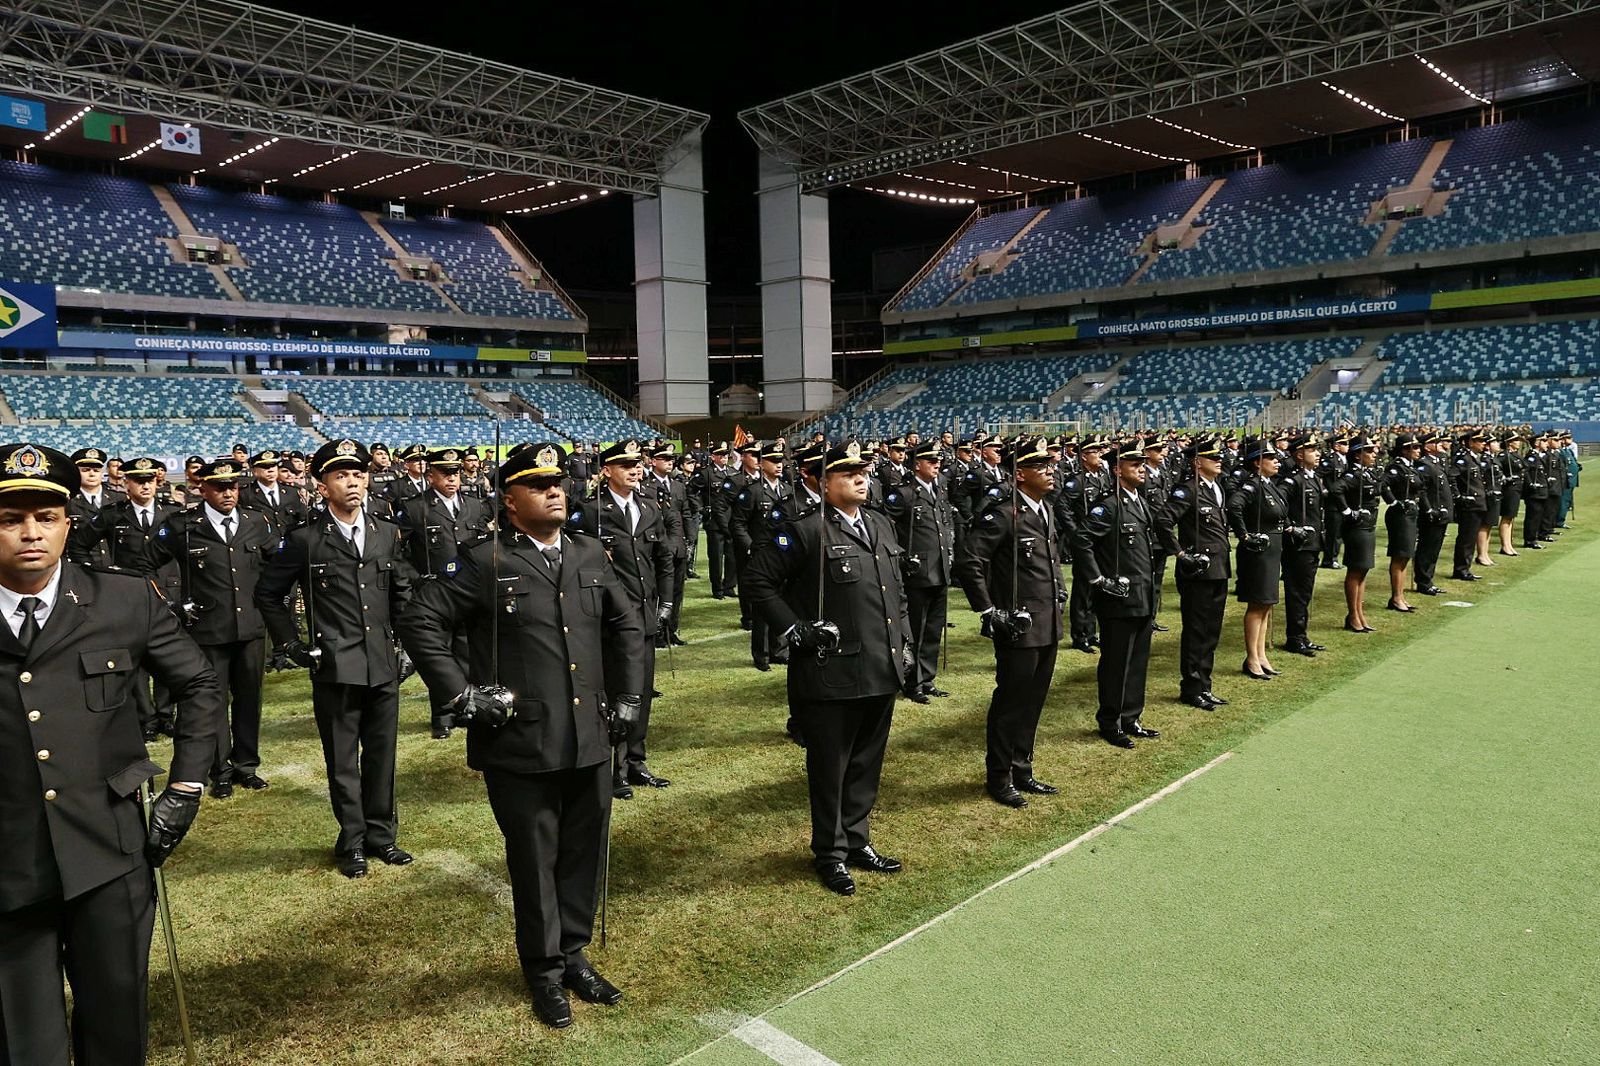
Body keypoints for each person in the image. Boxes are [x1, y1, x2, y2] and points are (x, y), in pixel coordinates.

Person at [399, 442, 645, 1029]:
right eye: (538, 485)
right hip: (521, 742)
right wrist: (461, 696)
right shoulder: (485, 561)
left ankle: (574, 954)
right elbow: (419, 618)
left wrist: (631, 697)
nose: (555, 490)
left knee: (584, 850)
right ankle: (542, 970)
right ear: (510, 502)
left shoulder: (588, 553)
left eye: (558, 482)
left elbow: (626, 624)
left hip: (588, 733)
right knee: (535, 860)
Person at [0, 441, 223, 1066]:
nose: (30, 534)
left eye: (46, 517)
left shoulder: (123, 600)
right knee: (26, 1043)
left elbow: (199, 684)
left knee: (116, 1025)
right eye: (10, 519)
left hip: (109, 852)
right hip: (9, 861)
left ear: (69, 522)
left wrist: (185, 787)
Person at [743, 442, 911, 896]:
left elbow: (895, 596)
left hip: (879, 664)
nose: (860, 477)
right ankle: (830, 853)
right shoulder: (804, 531)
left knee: (865, 764)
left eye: (863, 470)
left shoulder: (878, 522)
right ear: (822, 481)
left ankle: (857, 840)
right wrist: (794, 629)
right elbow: (758, 581)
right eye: (847, 472)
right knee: (830, 767)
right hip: (831, 669)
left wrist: (905, 646)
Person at [257, 439, 417, 878]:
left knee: (382, 755)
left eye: (359, 474)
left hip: (382, 663)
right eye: (341, 475)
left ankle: (382, 836)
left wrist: (407, 645)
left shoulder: (387, 532)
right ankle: (352, 843)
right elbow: (269, 595)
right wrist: (291, 643)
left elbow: (400, 592)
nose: (353, 482)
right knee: (343, 761)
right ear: (322, 484)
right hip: (336, 665)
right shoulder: (306, 540)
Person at [144, 456, 277, 798]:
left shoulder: (256, 522)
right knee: (212, 702)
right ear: (202, 487)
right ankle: (220, 770)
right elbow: (144, 564)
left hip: (250, 626)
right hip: (208, 629)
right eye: (219, 487)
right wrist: (169, 604)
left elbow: (276, 566)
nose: (227, 493)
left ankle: (246, 765)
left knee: (250, 700)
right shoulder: (183, 526)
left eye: (232, 486)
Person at [954, 437, 1065, 806]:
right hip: (1018, 623)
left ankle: (1023, 768)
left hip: (1047, 620)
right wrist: (988, 610)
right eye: (1041, 466)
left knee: (1033, 701)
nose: (1050, 471)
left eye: (1050, 464)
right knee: (1011, 702)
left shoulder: (1044, 508)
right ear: (1020, 474)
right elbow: (969, 560)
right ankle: (999, 776)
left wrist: (1060, 591)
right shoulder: (1003, 513)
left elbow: (1050, 562)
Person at [567, 440, 674, 798]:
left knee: (641, 690)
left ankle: (636, 760)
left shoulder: (649, 508)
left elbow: (663, 559)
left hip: (643, 615)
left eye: (637, 464)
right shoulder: (590, 510)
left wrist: (667, 602)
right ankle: (614, 766)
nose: (635, 470)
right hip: (609, 619)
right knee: (614, 691)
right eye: (625, 465)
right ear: (607, 470)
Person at [397, 447, 491, 738]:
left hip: (467, 591)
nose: (452, 479)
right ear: (430, 476)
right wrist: (415, 578)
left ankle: (466, 707)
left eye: (456, 473)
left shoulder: (475, 506)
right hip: (434, 591)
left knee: (466, 651)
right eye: (445, 474)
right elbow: (396, 553)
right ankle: (442, 716)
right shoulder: (414, 508)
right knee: (439, 654)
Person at [1074, 443, 1162, 749]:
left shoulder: (1139, 502)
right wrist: (1098, 579)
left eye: (1142, 463)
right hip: (1119, 598)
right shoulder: (1109, 505)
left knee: (1137, 661)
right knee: (1116, 663)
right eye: (1134, 463)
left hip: (1141, 596)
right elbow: (1082, 539)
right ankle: (1110, 721)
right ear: (1117, 470)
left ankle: (1131, 717)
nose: (1142, 467)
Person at [1157, 436, 1233, 709]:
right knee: (1196, 631)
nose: (1219, 461)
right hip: (1198, 570)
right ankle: (1191, 687)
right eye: (1213, 458)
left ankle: (1205, 684)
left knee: (1211, 631)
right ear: (1197, 462)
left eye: (1219, 457)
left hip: (1218, 568)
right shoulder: (1187, 490)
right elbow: (1163, 520)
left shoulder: (1215, 488)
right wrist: (1180, 553)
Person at [886, 443, 957, 703]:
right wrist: (900, 556)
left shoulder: (938, 490)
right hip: (917, 571)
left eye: (938, 460)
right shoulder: (904, 493)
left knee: (933, 629)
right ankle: (910, 681)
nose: (937, 464)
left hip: (938, 568)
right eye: (930, 461)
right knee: (915, 628)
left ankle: (926, 678)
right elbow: (886, 526)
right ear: (917, 464)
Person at [1227, 440, 1288, 680]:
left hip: (1273, 548)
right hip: (1259, 551)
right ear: (1257, 462)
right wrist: (1244, 535)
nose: (1276, 461)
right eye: (1270, 458)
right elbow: (1234, 506)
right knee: (1257, 603)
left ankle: (1261, 654)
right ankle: (1252, 657)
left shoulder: (1268, 484)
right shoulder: (1253, 485)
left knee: (1266, 603)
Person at [1276, 435, 1327, 657]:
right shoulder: (1292, 480)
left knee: (1305, 592)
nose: (1317, 453)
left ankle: (1302, 635)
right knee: (1297, 592)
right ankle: (1295, 638)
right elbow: (1278, 506)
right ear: (1299, 455)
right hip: (1299, 545)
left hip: (1312, 543)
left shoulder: (1313, 477)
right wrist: (1290, 528)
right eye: (1312, 449)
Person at [1331, 435, 1381, 633]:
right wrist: (1347, 511)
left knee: (1363, 570)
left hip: (1367, 526)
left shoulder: (1366, 473)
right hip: (1357, 528)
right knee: (1356, 570)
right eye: (1368, 451)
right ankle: (1353, 615)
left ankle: (1359, 613)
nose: (1373, 454)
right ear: (1357, 456)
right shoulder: (1352, 475)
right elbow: (1336, 490)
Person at [1381, 434, 1423, 613]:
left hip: (1411, 513)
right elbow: (1383, 485)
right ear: (1404, 450)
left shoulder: (1410, 467)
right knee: (1400, 555)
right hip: (1400, 515)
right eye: (1414, 448)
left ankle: (1400, 595)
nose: (1418, 450)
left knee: (1406, 555)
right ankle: (1396, 597)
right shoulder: (1396, 467)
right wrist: (1394, 502)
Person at [1414, 430, 1454, 594]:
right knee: (1427, 547)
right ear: (1427, 447)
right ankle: (1423, 581)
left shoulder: (1437, 462)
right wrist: (1429, 509)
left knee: (1435, 547)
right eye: (1435, 442)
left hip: (1442, 511)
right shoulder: (1423, 464)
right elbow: (1422, 491)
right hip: (1432, 512)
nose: (1439, 444)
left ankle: (1429, 579)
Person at [1450, 429, 1489, 582]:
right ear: (1470, 442)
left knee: (1471, 538)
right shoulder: (1462, 459)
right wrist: (1459, 496)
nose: (1483, 444)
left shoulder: (1473, 458)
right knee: (1466, 538)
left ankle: (1465, 567)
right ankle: (1461, 569)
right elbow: (1452, 477)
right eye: (1479, 441)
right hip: (1469, 505)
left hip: (1477, 503)